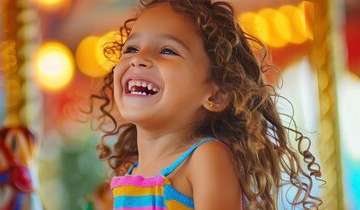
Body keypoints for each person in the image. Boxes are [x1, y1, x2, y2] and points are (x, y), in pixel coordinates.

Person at [87, 0, 322, 209]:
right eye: (131, 49)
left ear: (216, 96)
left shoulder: (205, 158)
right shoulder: (128, 175)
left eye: (167, 50)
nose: (138, 58)